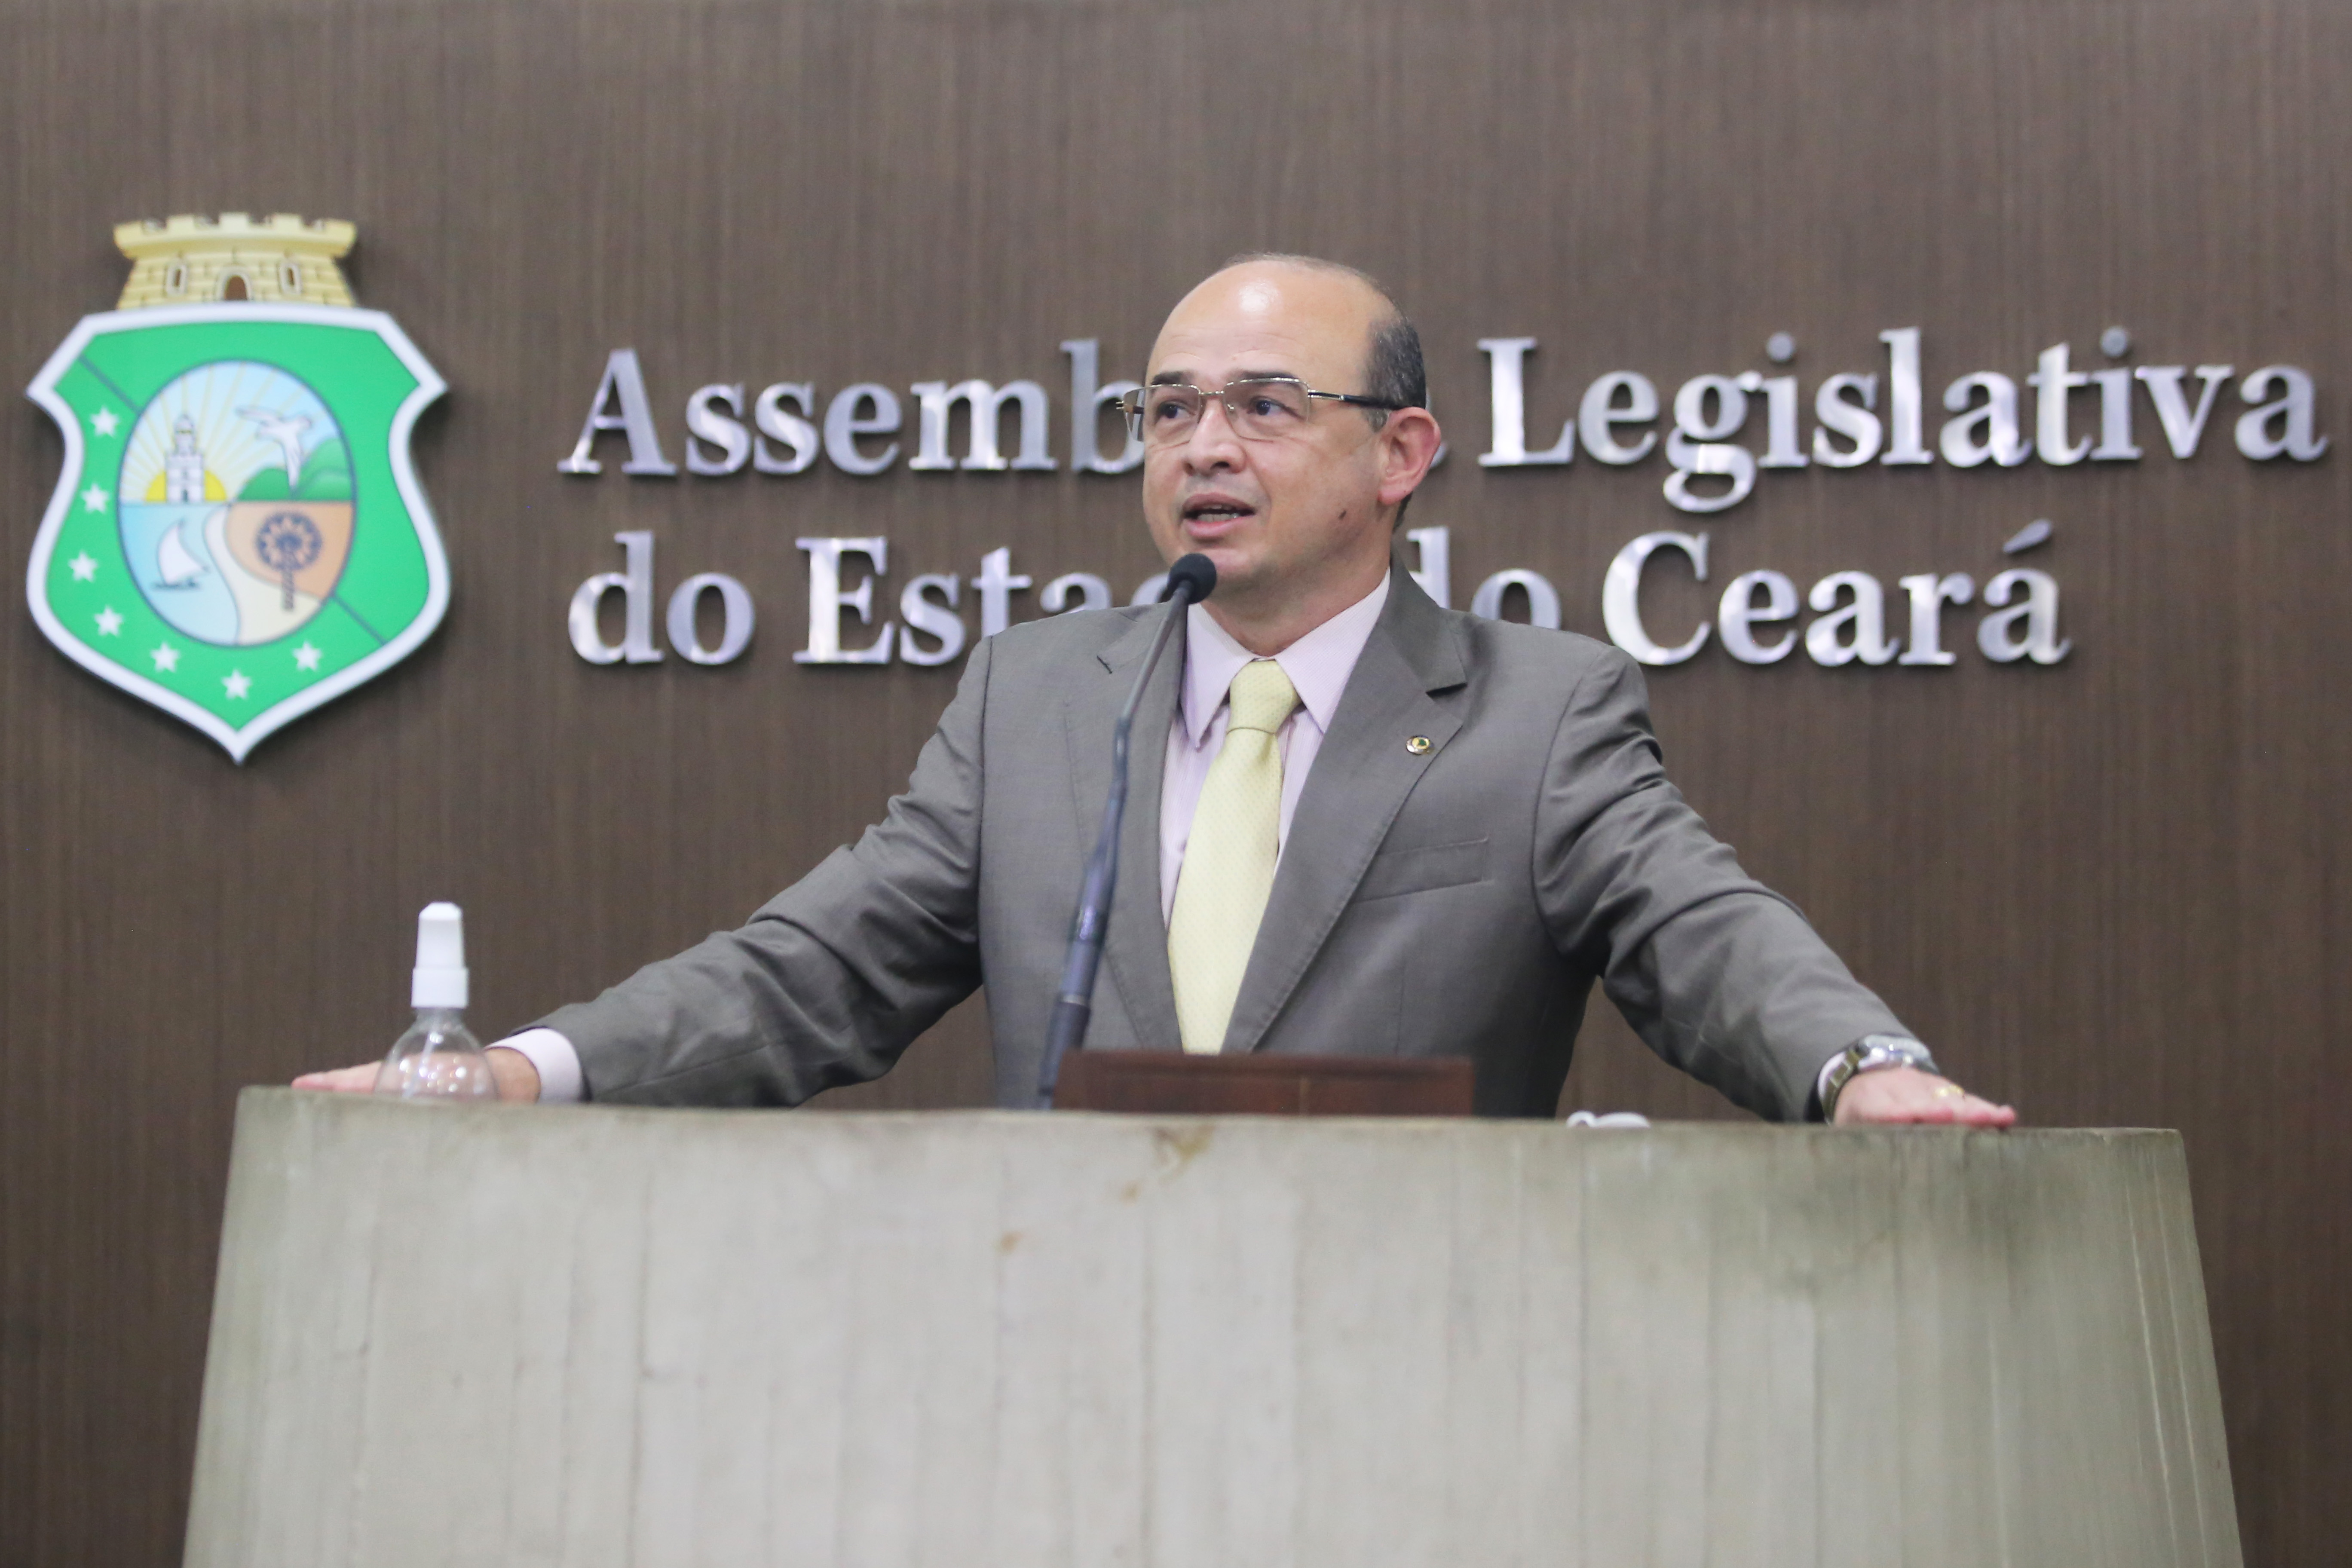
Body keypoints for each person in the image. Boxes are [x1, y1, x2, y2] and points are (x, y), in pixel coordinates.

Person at [301, 254, 2014, 1127]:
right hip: (1073, 1382)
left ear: (1401, 453)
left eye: (1265, 406)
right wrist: (521, 1073)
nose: (1203, 446)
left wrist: (1860, 1068)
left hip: (1420, 1394)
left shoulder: (1537, 710)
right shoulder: (1040, 699)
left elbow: (1701, 926)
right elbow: (810, 970)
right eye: (1169, 408)